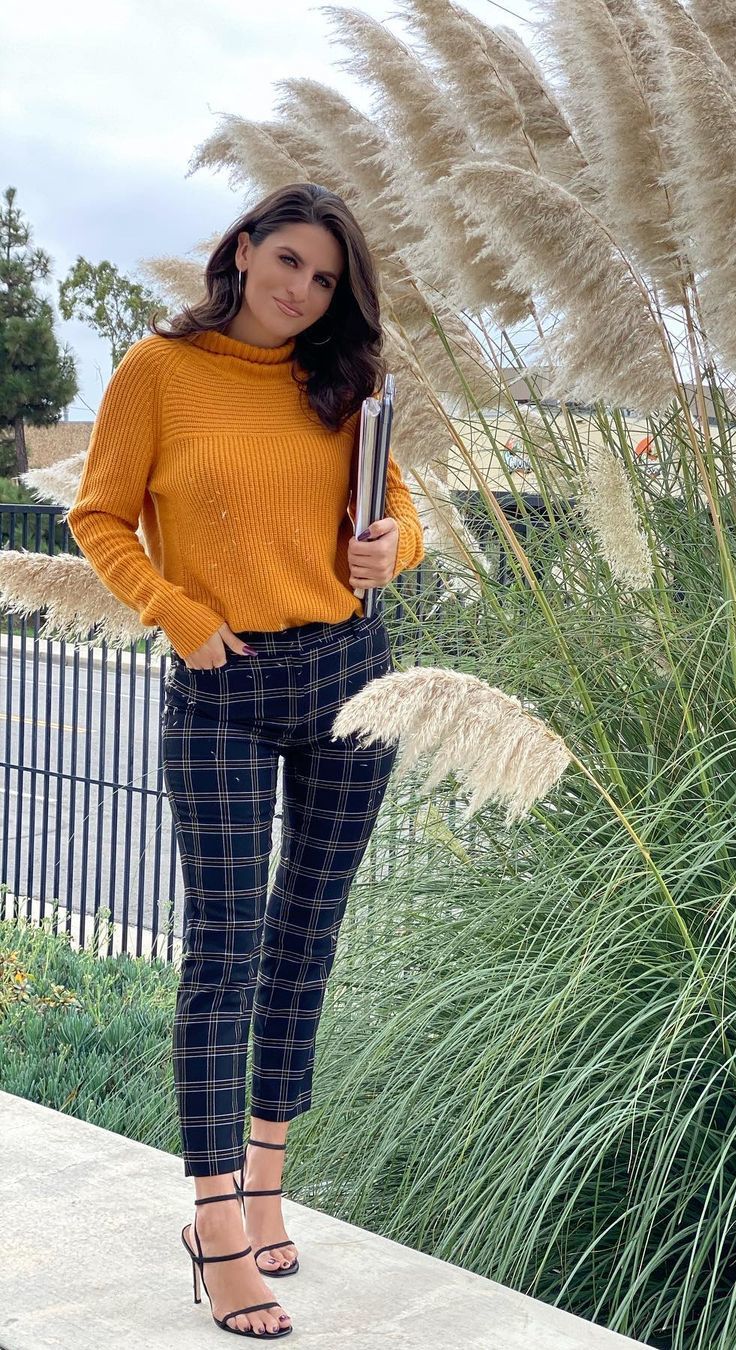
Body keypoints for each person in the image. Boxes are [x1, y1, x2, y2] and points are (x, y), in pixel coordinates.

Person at [66, 182, 425, 1338]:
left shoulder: (345, 381)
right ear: (242, 250)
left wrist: (390, 549)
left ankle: (268, 1181)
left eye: (325, 278)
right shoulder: (158, 372)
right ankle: (215, 1219)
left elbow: (401, 513)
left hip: (349, 673)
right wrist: (175, 613)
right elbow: (98, 516)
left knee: (306, 936)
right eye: (288, 262)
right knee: (225, 951)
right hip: (222, 684)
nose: (301, 290)